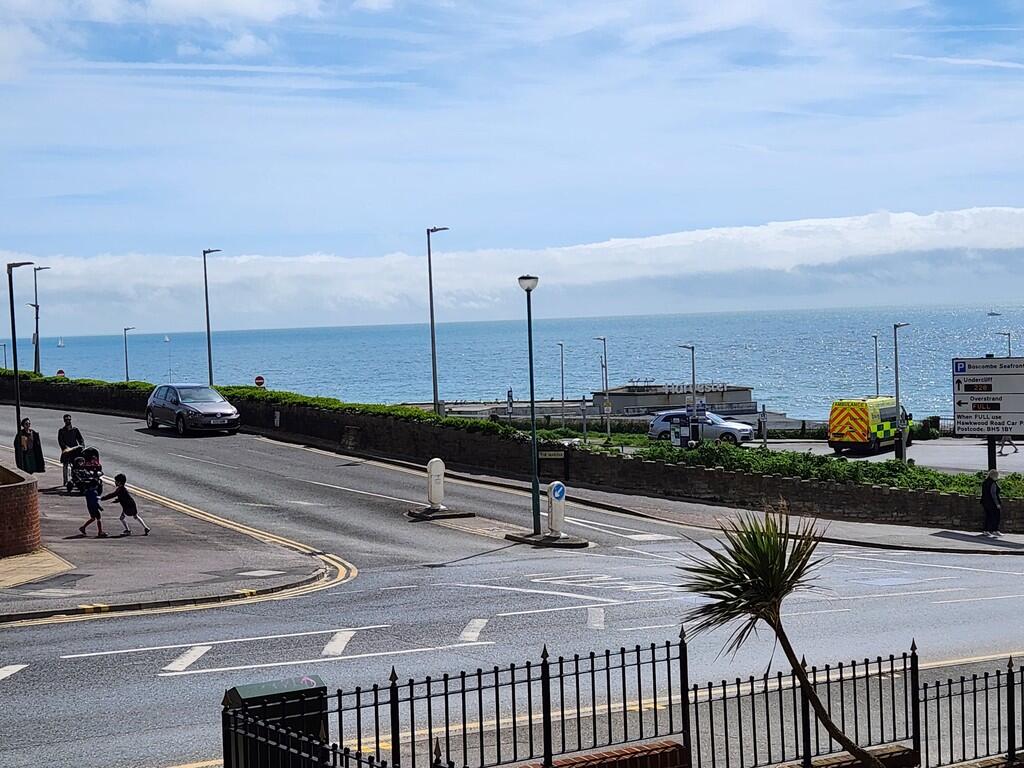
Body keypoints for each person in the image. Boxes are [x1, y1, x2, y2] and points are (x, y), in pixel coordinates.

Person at [58, 414, 85, 484]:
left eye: (69, 420)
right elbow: (61, 442)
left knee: (77, 464)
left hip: (75, 450)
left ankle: (76, 479)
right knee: (65, 465)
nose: (68, 421)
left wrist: (82, 446)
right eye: (66, 420)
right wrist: (66, 448)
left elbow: (80, 439)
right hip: (67, 451)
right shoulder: (61, 431)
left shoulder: (75, 430)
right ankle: (65, 481)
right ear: (64, 421)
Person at [981, 469, 1002, 538]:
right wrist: (997, 504)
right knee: (996, 516)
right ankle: (994, 530)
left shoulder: (985, 482)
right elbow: (993, 494)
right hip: (992, 503)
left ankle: (986, 530)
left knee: (988, 516)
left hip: (985, 502)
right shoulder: (993, 483)